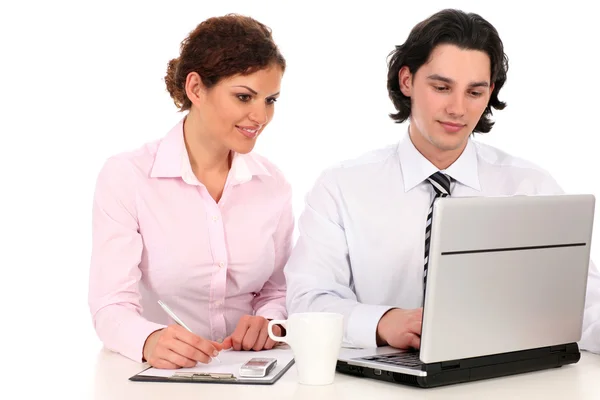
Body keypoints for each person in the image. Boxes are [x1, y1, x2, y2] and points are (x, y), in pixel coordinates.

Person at [284, 8, 600, 353]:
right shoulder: (340, 187)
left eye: (475, 93)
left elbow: (581, 300)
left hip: (505, 376)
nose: (457, 108)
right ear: (407, 81)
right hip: (384, 379)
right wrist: (383, 321)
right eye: (441, 87)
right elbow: (307, 300)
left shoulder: (530, 187)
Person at [88, 14, 294, 369]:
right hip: (160, 377)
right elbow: (110, 304)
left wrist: (270, 321)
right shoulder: (128, 177)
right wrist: (149, 340)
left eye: (270, 100)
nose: (260, 116)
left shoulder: (271, 184)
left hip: (253, 376)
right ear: (196, 88)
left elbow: (277, 290)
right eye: (244, 97)